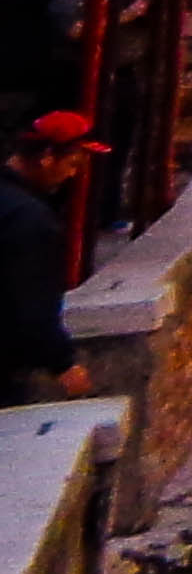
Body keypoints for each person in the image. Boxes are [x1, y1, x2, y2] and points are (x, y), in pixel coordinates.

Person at [0, 113, 101, 402]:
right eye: (72, 164)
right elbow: (32, 299)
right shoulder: (30, 219)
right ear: (47, 157)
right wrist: (62, 362)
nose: (72, 175)